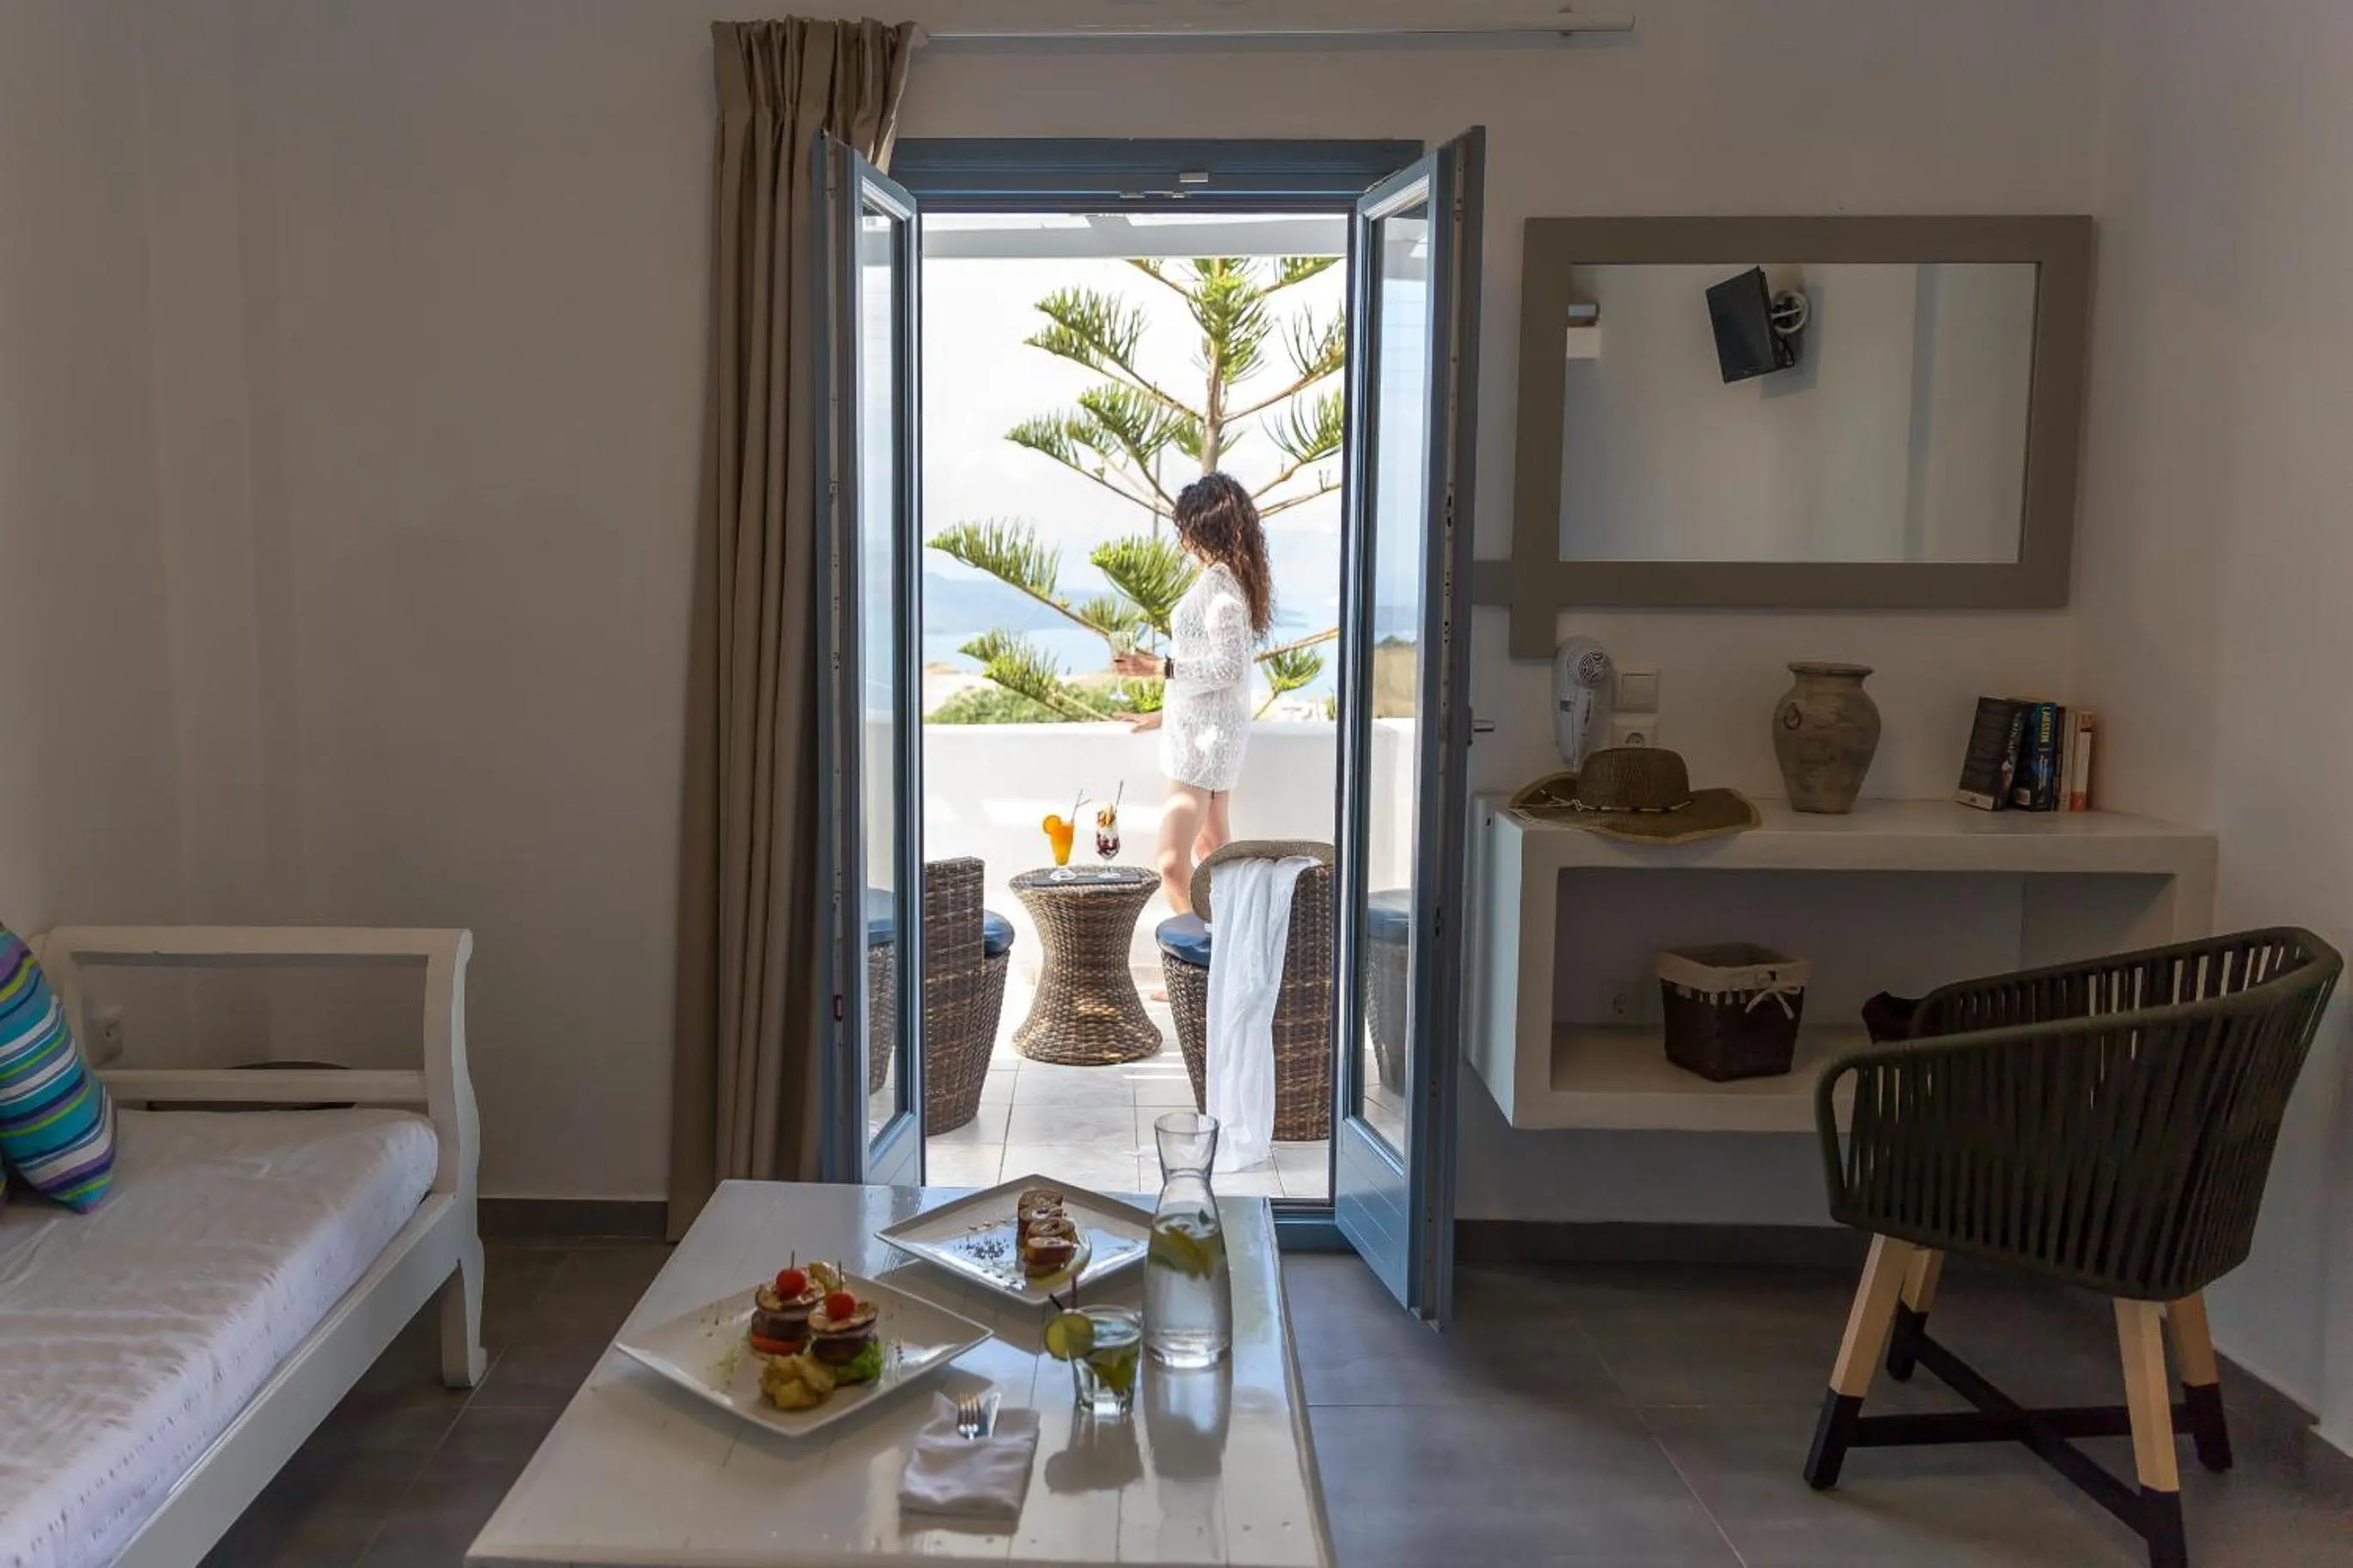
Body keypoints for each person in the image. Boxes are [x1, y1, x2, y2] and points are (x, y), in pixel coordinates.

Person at [1113, 472, 1274, 917]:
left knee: (1171, 862)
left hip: (1202, 752)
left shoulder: (1221, 592)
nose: (1180, 536)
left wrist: (1158, 667)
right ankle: (1223, 961)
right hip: (1205, 739)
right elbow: (1220, 682)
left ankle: (1193, 963)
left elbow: (1228, 668)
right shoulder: (1225, 583)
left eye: (1184, 524)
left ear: (1201, 527)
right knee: (1217, 855)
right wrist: (1162, 715)